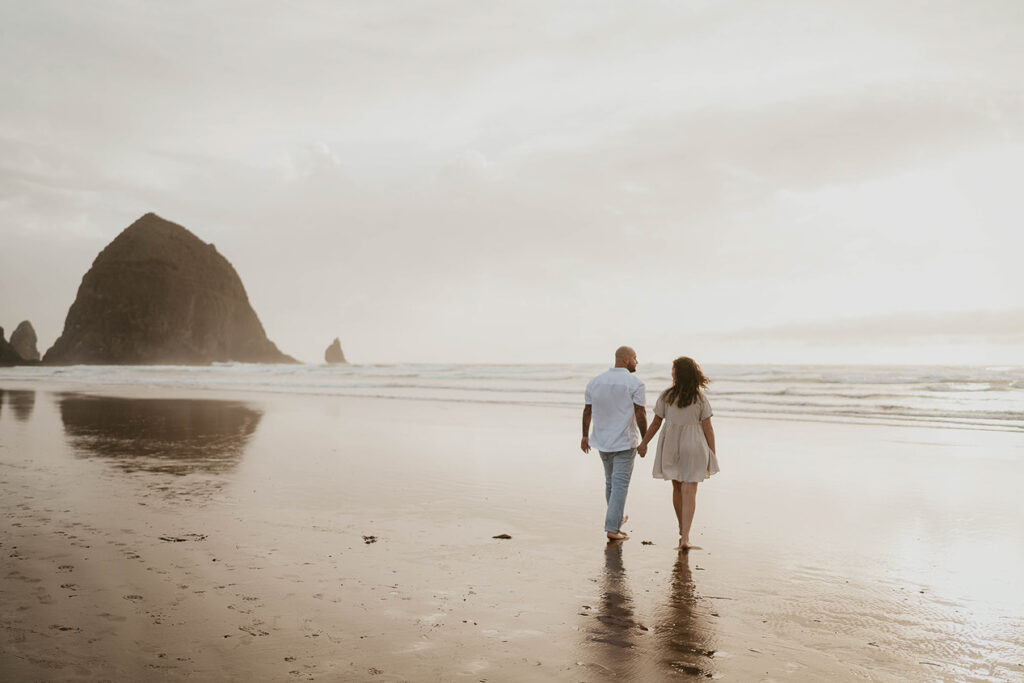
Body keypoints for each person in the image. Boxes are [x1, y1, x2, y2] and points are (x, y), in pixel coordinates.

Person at [637, 357, 718, 550]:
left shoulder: (666, 396)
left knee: (677, 487)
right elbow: (708, 428)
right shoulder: (699, 398)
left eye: (673, 369)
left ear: (678, 373)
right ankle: (685, 537)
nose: (671, 372)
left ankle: (682, 530)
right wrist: (712, 453)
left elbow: (656, 423)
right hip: (695, 445)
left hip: (671, 445)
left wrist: (644, 443)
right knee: (690, 491)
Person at [582, 346, 647, 541]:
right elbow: (640, 413)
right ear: (626, 360)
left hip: (602, 440)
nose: (637, 362)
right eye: (635, 358)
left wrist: (584, 436)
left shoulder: (595, 382)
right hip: (625, 442)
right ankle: (612, 528)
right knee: (619, 485)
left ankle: (616, 521)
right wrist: (645, 439)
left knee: (611, 483)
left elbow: (587, 411)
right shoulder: (635, 383)